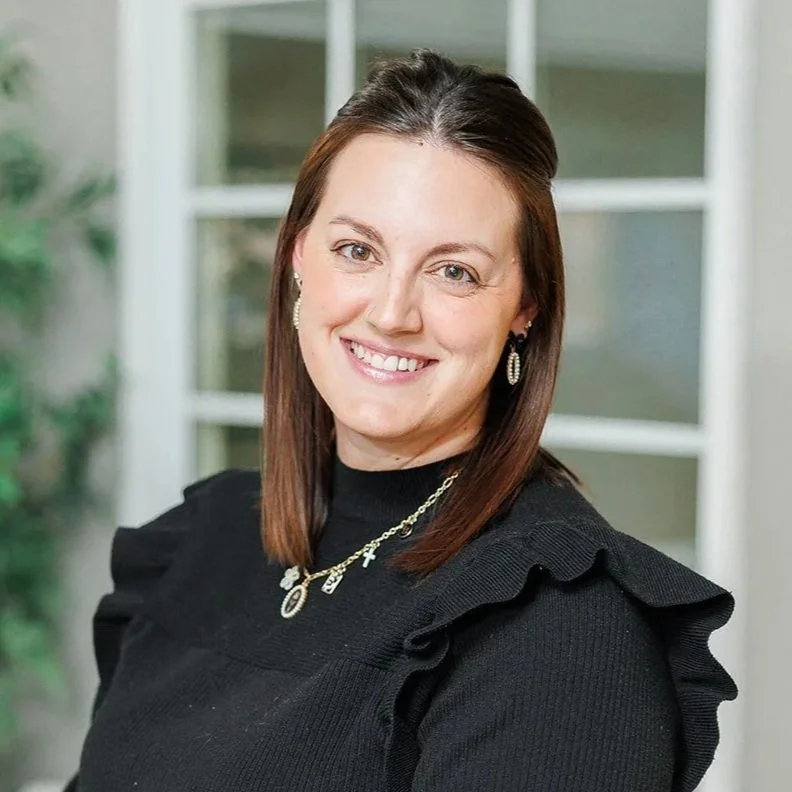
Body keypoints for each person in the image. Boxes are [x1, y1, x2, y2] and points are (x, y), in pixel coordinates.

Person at [65, 50, 736, 791]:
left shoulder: (560, 625)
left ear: (524, 308)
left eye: (455, 271)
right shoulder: (202, 538)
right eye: (358, 250)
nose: (391, 313)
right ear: (297, 258)